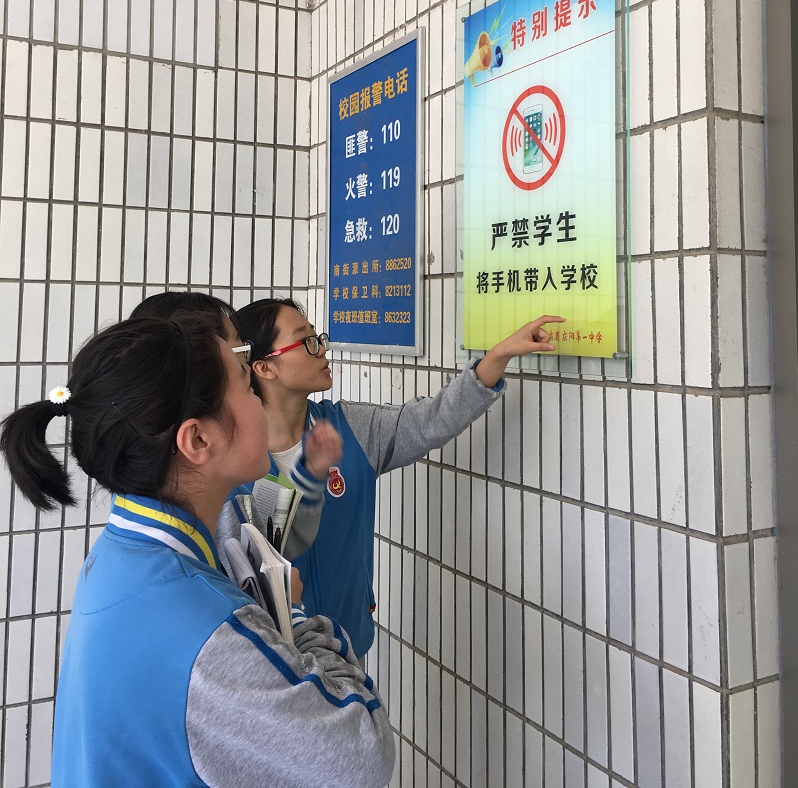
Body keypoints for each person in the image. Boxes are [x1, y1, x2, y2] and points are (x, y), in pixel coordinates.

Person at [0, 313, 395, 788]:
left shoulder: (124, 549)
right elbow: (363, 756)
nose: (260, 400)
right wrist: (290, 616)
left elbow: (274, 524)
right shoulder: (208, 628)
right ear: (198, 439)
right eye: (246, 386)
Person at [237, 297, 564, 659]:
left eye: (318, 337)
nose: (322, 349)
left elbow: (430, 421)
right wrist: (308, 476)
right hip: (273, 657)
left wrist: (497, 356)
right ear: (264, 368)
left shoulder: (349, 427)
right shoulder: (236, 460)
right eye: (306, 341)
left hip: (347, 647)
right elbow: (268, 547)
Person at [130, 291, 342, 561]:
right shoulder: (179, 566)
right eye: (242, 364)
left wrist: (310, 481)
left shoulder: (150, 517)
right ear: (196, 438)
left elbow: (273, 552)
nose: (251, 375)